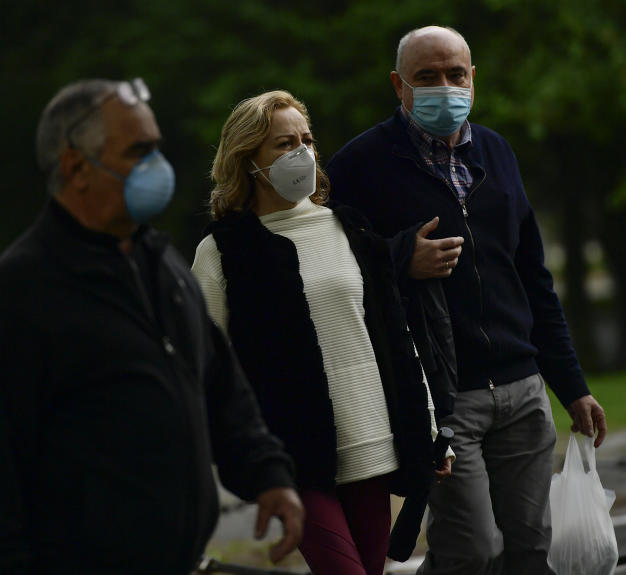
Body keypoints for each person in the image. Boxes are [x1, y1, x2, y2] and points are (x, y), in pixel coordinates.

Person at [0, 78, 304, 575]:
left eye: (155, 148)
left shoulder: (162, 265)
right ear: (76, 167)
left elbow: (222, 389)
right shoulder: (22, 291)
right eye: (139, 151)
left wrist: (269, 474)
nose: (157, 167)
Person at [325, 27, 608, 575]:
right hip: (443, 399)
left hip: (523, 391)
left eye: (456, 75)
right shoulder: (360, 164)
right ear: (398, 85)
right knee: (469, 551)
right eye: (426, 77)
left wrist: (571, 386)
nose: (444, 87)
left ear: (473, 79)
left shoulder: (497, 151)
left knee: (533, 551)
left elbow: (532, 277)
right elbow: (331, 267)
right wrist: (399, 260)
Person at [190, 90, 453, 575]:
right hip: (296, 457)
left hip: (372, 442)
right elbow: (207, 365)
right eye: (284, 143)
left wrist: (433, 429)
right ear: (248, 160)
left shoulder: (348, 229)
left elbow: (398, 340)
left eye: (307, 140)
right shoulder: (223, 251)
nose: (302, 153)